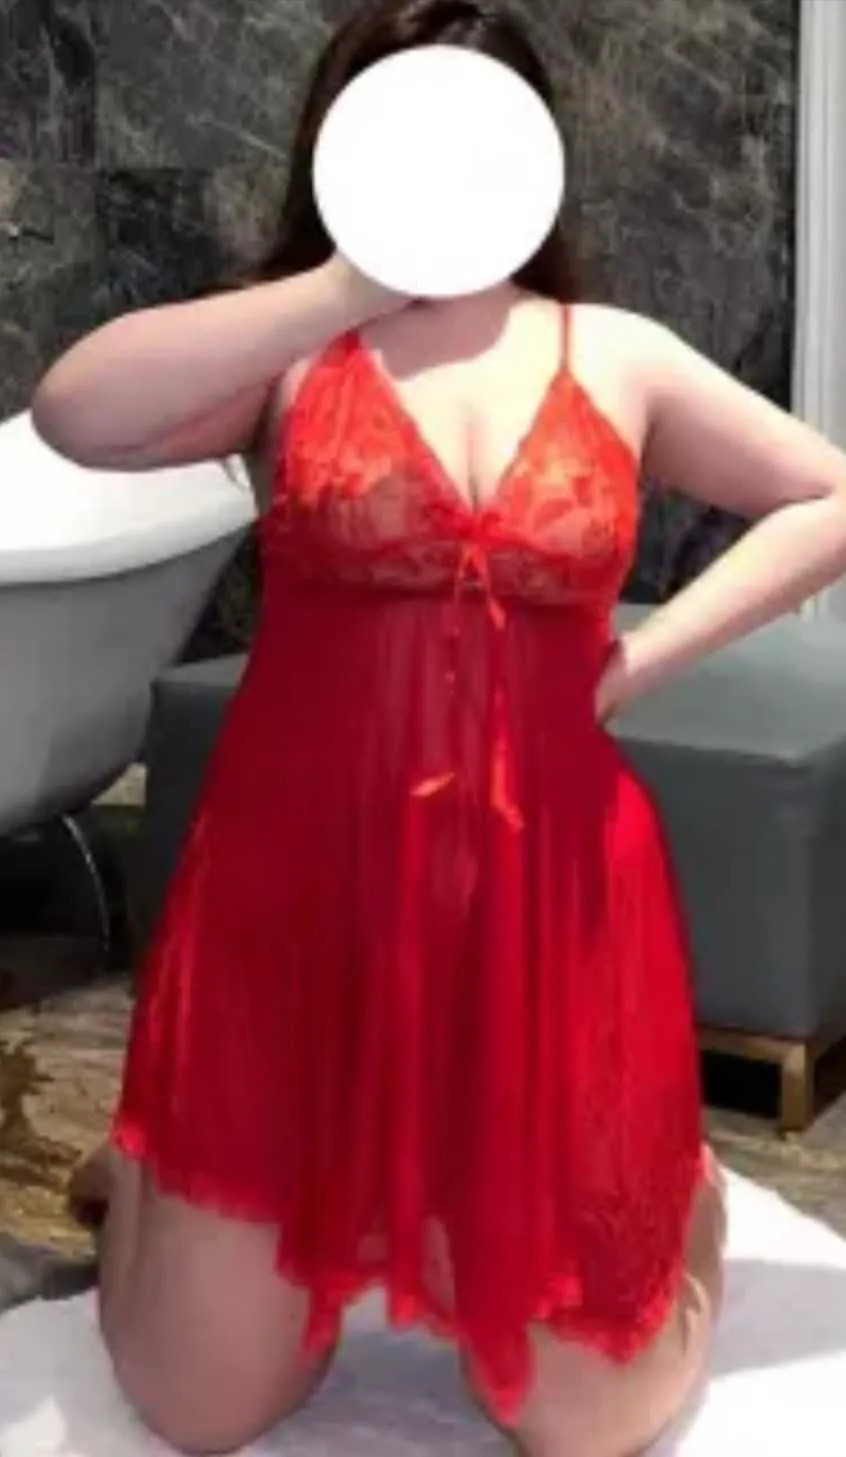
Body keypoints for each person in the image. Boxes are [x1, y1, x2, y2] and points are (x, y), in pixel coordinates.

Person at [31, 1, 846, 1453]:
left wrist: (644, 660)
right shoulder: (292, 353)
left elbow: (830, 496)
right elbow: (74, 414)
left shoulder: (616, 352)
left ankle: (683, 1196)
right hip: (296, 902)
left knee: (586, 1420)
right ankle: (154, 1179)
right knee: (199, 1409)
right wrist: (352, 275)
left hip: (544, 909)